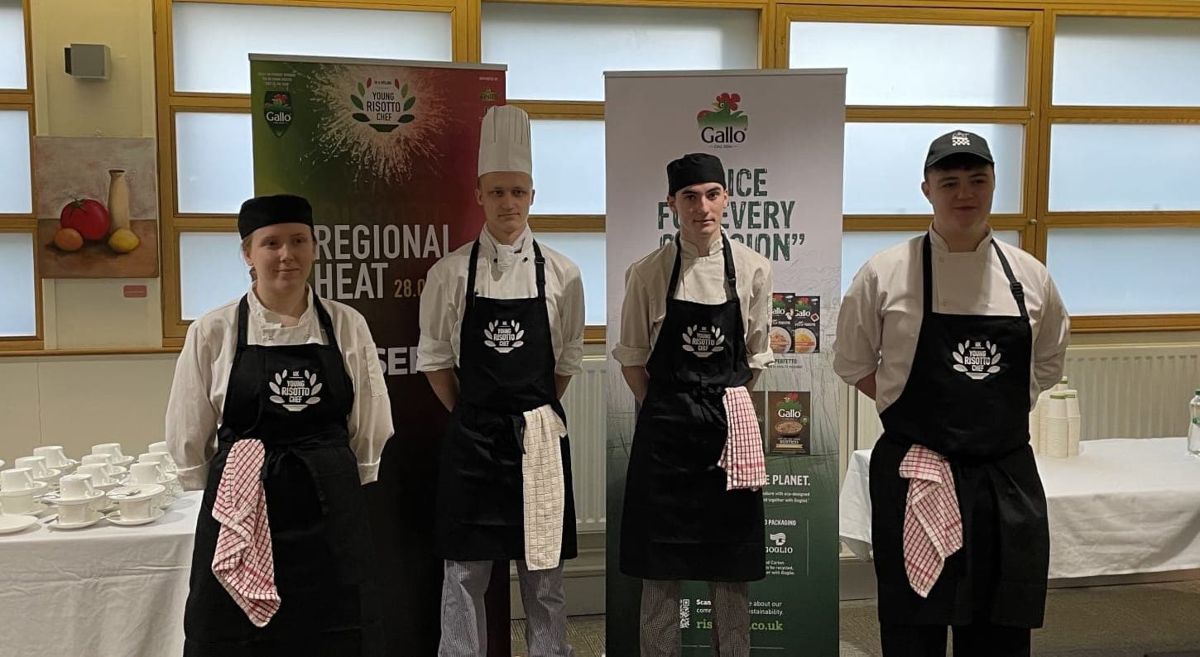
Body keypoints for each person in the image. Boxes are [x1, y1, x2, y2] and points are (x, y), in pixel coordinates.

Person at [834, 130, 1070, 657]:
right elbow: (851, 363)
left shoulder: (1030, 278)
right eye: (950, 181)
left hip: (1004, 478)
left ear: (993, 186)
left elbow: (1048, 365)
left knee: (999, 628)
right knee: (914, 629)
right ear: (927, 189)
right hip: (917, 469)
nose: (965, 193)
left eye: (977, 180)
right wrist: (904, 405)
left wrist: (991, 411)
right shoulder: (885, 273)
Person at [166, 194, 394, 656]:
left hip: (328, 498)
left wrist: (359, 467)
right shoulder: (214, 329)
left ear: (314, 247)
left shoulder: (346, 325)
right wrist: (207, 480)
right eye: (271, 243)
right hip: (243, 500)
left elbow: (371, 413)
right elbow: (189, 425)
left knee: (335, 623)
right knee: (237, 634)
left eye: (298, 241)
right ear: (248, 253)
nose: (286, 254)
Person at [417, 104, 584, 657]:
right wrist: (476, 411)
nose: (508, 203)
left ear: (532, 195)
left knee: (544, 575)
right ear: (478, 195)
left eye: (517, 191)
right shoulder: (448, 273)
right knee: (463, 572)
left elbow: (564, 364)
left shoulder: (563, 273)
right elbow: (437, 361)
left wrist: (526, 410)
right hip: (473, 440)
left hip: (538, 436)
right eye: (497, 192)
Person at [615, 152, 774, 657]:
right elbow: (633, 359)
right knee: (660, 573)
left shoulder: (753, 269)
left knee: (730, 573)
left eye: (711, 194)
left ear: (726, 198)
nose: (701, 207)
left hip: (728, 437)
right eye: (689, 197)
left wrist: (718, 409)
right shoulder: (647, 273)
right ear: (672, 204)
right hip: (665, 436)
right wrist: (669, 407)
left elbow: (755, 358)